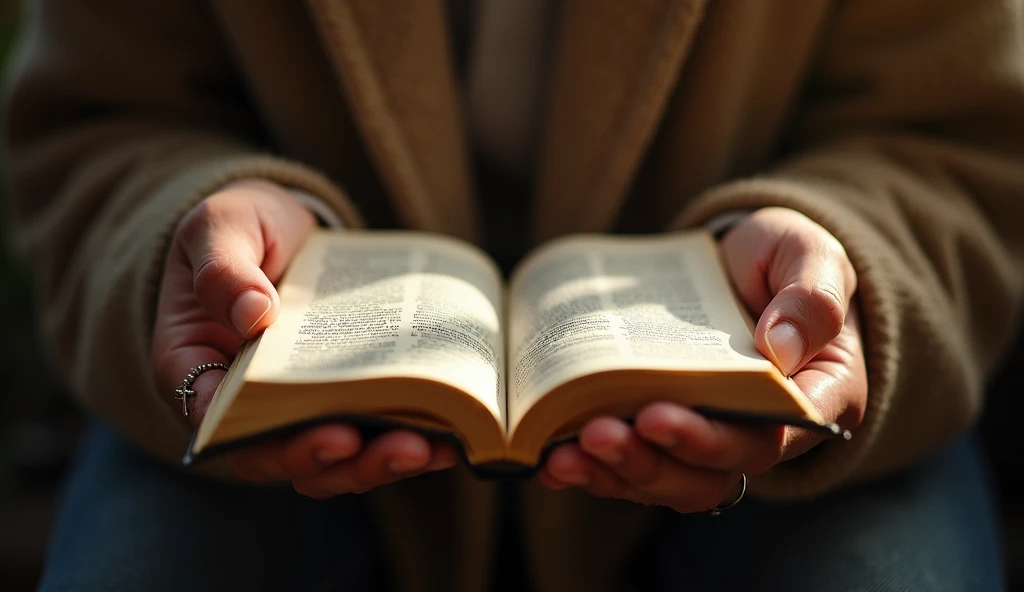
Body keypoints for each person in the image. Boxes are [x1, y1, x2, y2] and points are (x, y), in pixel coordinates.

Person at [3, 1, 1021, 590]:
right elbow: (101, 122)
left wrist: (844, 270)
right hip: (271, 407)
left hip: (775, 417)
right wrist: (195, 291)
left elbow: (957, 141)